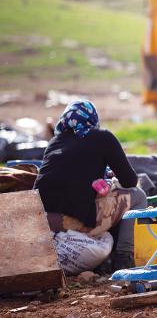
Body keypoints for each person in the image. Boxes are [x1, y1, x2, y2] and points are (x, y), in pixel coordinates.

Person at [34, 100, 147, 270]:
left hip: (41, 223)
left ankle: (106, 260)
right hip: (71, 223)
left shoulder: (55, 142)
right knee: (138, 196)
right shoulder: (103, 137)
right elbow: (130, 181)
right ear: (92, 119)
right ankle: (124, 258)